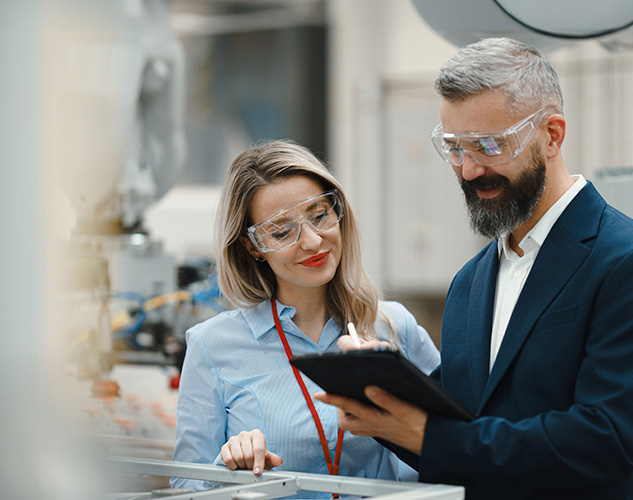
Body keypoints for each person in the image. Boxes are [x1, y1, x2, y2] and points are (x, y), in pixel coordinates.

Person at [315, 37, 633, 499]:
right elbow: (460, 431)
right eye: (454, 147)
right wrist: (378, 398)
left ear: (551, 135)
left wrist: (429, 435)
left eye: (488, 145)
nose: (469, 170)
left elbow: (605, 439)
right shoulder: (470, 282)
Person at [171, 140, 440, 494]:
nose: (313, 241)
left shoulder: (393, 327)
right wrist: (228, 469)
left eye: (319, 215)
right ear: (252, 247)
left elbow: (452, 446)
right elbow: (185, 486)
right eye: (282, 231)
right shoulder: (211, 345)